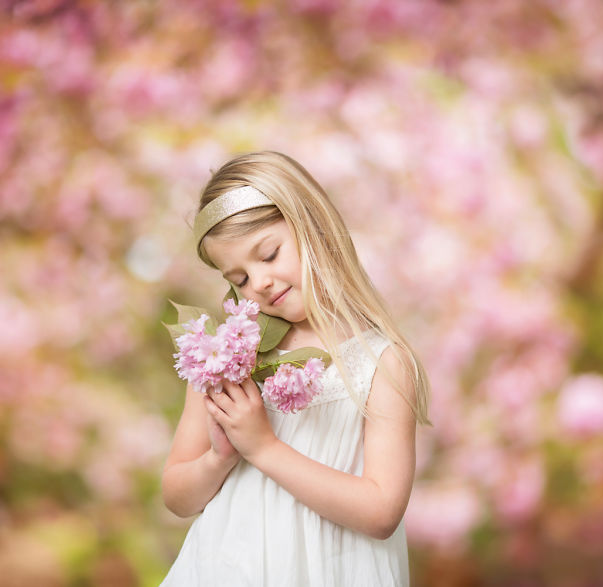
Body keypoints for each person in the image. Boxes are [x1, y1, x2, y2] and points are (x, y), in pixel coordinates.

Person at [161, 151, 431, 586]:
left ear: (313, 226)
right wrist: (220, 458)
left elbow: (381, 511)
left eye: (268, 254)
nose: (260, 283)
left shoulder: (382, 363)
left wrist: (264, 448)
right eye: (240, 278)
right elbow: (177, 494)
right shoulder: (229, 356)